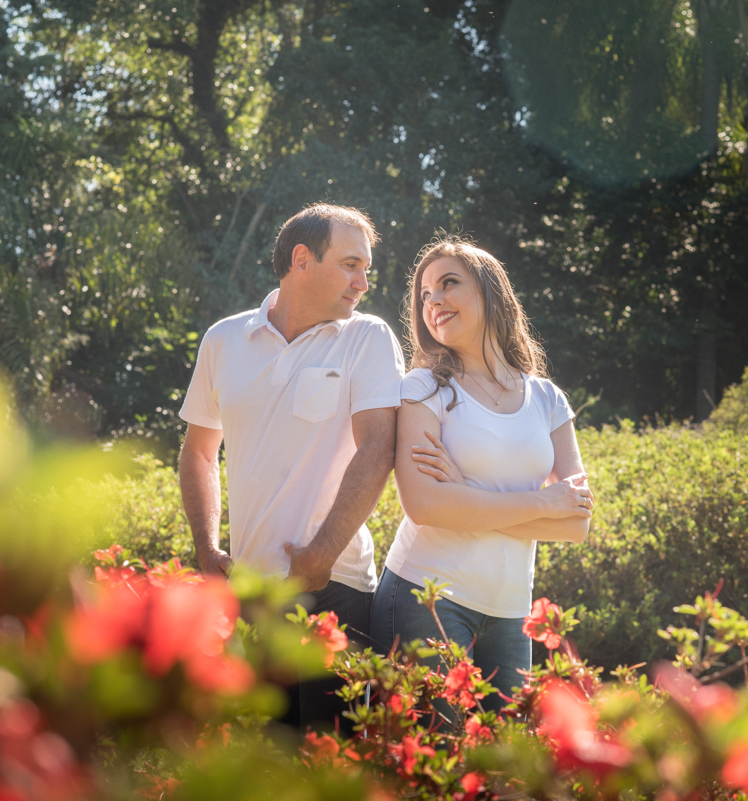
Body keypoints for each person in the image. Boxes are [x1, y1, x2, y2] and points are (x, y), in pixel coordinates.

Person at [178, 204, 405, 732]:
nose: (362, 282)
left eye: (366, 269)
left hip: (337, 584)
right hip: (252, 590)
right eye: (350, 265)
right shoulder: (223, 339)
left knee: (333, 756)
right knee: (266, 759)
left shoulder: (368, 338)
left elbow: (377, 448)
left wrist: (321, 554)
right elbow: (199, 452)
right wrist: (206, 547)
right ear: (302, 260)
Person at [370, 237, 594, 711]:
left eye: (448, 283)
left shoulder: (547, 399)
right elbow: (425, 505)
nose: (434, 301)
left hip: (510, 613)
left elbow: (576, 523)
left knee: (505, 754)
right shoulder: (422, 388)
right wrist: (543, 503)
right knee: (436, 751)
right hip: (425, 598)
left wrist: (464, 495)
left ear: (491, 292)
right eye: (425, 294)